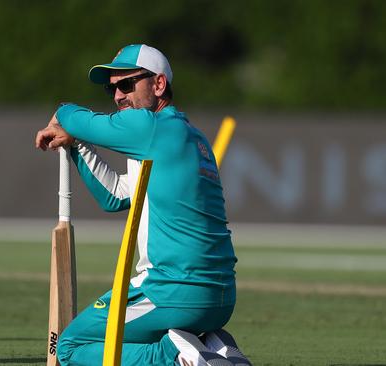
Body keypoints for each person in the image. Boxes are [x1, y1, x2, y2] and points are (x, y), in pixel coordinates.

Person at [35, 44, 251, 366]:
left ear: (158, 85)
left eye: (126, 84)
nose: (118, 96)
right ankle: (214, 345)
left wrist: (62, 113)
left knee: (70, 346)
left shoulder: (150, 127)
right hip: (219, 299)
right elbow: (117, 196)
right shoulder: (194, 138)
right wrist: (76, 142)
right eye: (112, 88)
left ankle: (175, 357)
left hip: (171, 291)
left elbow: (75, 117)